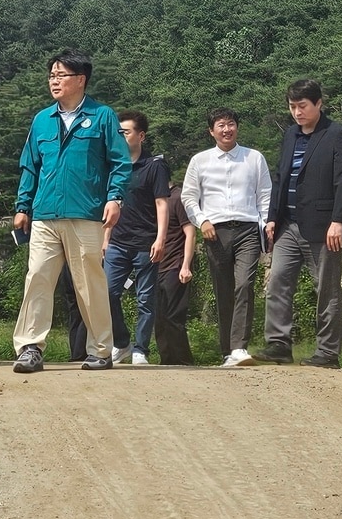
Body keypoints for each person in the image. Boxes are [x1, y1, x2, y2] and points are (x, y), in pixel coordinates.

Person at [11, 50, 132, 373]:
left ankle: (101, 350)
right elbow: (30, 167)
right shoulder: (41, 120)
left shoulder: (103, 116)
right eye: (51, 75)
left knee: (89, 283)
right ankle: (30, 347)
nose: (54, 80)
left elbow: (120, 163)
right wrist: (23, 206)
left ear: (81, 80)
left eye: (61, 75)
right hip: (45, 213)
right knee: (37, 277)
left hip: (86, 212)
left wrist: (114, 198)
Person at [258, 79, 342, 368]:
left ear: (318, 104)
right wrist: (272, 218)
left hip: (323, 226)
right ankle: (278, 344)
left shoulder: (337, 134)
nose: (297, 113)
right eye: (292, 107)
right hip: (288, 224)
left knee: (327, 289)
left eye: (302, 106)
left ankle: (327, 353)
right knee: (277, 282)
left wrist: (338, 220)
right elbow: (281, 176)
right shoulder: (290, 134)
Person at [181, 107, 272, 368]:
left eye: (230, 124)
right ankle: (227, 352)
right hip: (215, 231)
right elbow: (189, 196)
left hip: (247, 229)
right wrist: (202, 220)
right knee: (224, 291)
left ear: (237, 127)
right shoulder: (200, 161)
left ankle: (239, 348)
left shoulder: (254, 158)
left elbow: (264, 194)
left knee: (244, 284)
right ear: (212, 131)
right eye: (220, 125)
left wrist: (266, 225)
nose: (226, 129)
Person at [103, 111, 170, 365]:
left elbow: (162, 204)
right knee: (107, 293)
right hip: (118, 242)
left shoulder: (155, 165)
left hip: (146, 242)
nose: (121, 136)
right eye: (118, 132)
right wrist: (105, 237)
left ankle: (141, 349)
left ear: (141, 136)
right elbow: (110, 204)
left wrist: (160, 238)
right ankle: (121, 343)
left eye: (126, 132)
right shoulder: (113, 166)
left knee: (145, 300)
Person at [153, 183, 199, 365]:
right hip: (157, 267)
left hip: (176, 265)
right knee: (159, 319)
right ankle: (167, 361)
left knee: (174, 317)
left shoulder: (178, 197)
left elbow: (190, 233)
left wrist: (186, 265)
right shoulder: (155, 201)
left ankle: (184, 361)